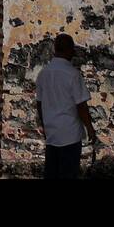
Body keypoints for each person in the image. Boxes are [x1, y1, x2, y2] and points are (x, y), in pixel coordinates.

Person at [34, 33, 96, 178]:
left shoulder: (43, 74)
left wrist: (45, 125)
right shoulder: (73, 74)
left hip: (52, 133)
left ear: (55, 49)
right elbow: (81, 106)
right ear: (70, 50)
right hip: (70, 134)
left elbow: (39, 104)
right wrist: (90, 129)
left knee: (52, 174)